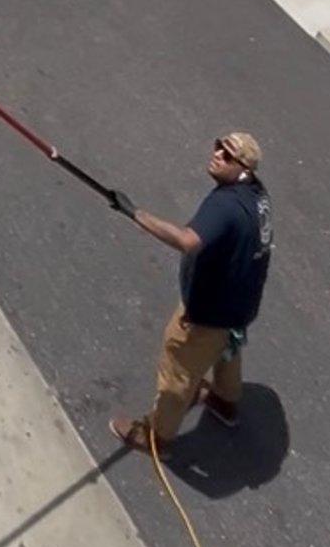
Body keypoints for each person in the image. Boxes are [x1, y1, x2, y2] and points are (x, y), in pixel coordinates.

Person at [109, 131, 272, 455]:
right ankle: (225, 401)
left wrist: (136, 214)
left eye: (227, 155)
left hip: (207, 311)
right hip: (239, 304)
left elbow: (187, 241)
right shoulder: (258, 195)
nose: (216, 155)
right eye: (218, 147)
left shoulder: (225, 205)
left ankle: (158, 437)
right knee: (226, 348)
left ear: (244, 170)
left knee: (177, 368)